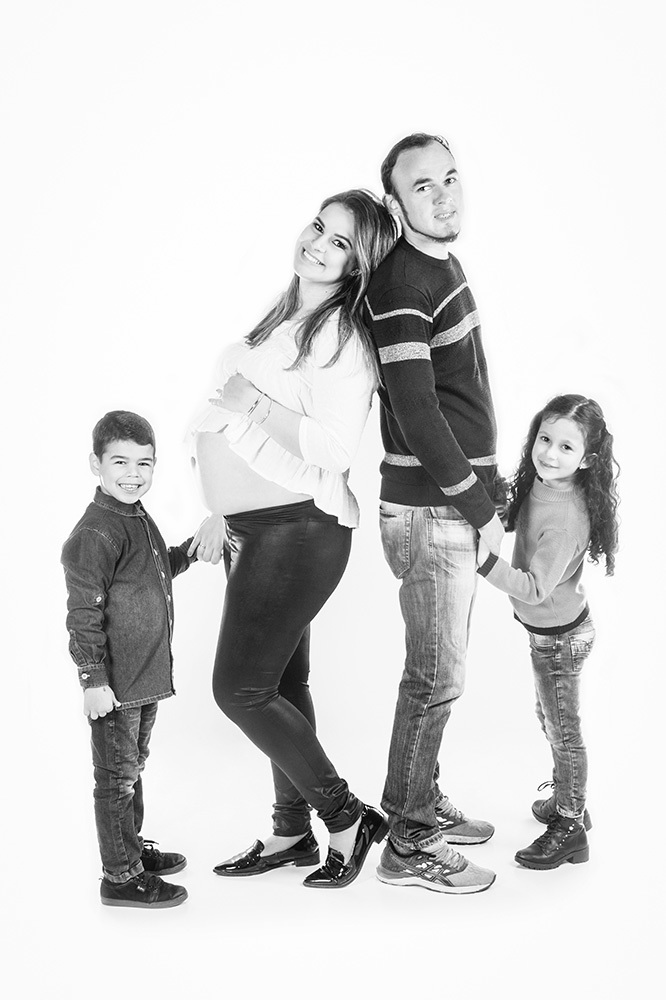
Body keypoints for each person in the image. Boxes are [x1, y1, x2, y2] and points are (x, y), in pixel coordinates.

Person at [188, 189, 398, 889]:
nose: (318, 242)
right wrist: (217, 505)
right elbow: (226, 427)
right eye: (318, 226)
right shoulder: (284, 319)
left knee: (238, 690)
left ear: (357, 264)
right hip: (254, 530)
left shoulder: (340, 338)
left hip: (298, 530)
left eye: (340, 241)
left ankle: (346, 817)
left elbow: (334, 448)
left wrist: (252, 402)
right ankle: (291, 832)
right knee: (279, 682)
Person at [365, 133, 505, 895]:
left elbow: (458, 395)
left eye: (450, 177)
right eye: (424, 186)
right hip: (432, 512)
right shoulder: (401, 282)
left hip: (448, 506)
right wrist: (480, 508)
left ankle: (419, 800)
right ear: (396, 203)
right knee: (434, 679)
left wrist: (489, 488)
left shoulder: (437, 264)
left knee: (439, 673)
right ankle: (409, 841)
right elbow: (419, 416)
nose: (445, 194)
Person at [476, 394, 619, 869]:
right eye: (545, 439)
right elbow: (518, 517)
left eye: (566, 447)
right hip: (550, 634)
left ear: (587, 460)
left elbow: (535, 588)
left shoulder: (566, 519)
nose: (550, 454)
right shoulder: (541, 485)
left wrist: (485, 563)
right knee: (550, 718)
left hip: (560, 639)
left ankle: (570, 824)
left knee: (563, 730)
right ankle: (569, 796)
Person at [61, 411, 196, 907]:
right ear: (95, 464)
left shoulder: (135, 515)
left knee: (131, 769)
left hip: (144, 678)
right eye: (120, 462)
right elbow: (83, 613)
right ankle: (120, 876)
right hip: (116, 686)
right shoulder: (96, 533)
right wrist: (92, 679)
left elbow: (152, 573)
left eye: (144, 463)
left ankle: (131, 852)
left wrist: (191, 551)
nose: (133, 474)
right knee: (116, 779)